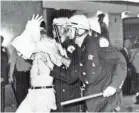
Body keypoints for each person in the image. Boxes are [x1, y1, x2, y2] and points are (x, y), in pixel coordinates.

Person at [66, 14, 127, 112]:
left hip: (106, 101)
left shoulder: (97, 44)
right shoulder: (79, 49)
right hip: (92, 102)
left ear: (79, 30)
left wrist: (114, 86)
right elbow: (73, 76)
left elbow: (120, 61)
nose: (67, 32)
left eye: (70, 29)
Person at [12, 15, 61, 113]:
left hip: (43, 93)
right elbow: (18, 46)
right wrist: (28, 30)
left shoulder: (49, 43)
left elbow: (58, 63)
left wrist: (29, 31)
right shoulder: (35, 46)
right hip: (33, 92)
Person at [50, 17, 85, 112]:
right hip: (59, 93)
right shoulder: (55, 45)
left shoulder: (73, 46)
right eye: (53, 29)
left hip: (71, 95)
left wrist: (58, 57)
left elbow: (74, 70)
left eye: (56, 28)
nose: (53, 31)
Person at [1, 36, 9, 112]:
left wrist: (3, 78)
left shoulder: (3, 54)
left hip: (0, 80)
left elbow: (5, 67)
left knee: (1, 100)